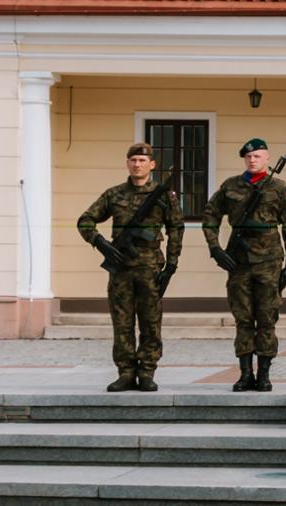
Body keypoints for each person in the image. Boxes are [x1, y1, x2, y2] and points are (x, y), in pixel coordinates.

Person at [76, 142, 184, 393]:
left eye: (142, 161)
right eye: (133, 160)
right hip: (121, 269)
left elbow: (176, 229)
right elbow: (85, 221)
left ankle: (146, 371)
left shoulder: (164, 195)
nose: (138, 164)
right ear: (128, 163)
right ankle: (125, 373)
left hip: (149, 270)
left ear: (152, 165)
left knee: (150, 322)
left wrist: (171, 264)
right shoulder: (114, 194)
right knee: (122, 323)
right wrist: (100, 243)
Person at [205, 138, 286, 392]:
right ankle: (245, 373)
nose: (252, 160)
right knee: (243, 318)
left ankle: (264, 375)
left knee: (267, 317)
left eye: (257, 156)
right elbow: (210, 215)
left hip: (269, 261)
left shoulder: (279, 188)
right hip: (238, 261)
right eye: (248, 157)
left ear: (267, 159)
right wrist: (215, 248)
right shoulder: (231, 186)